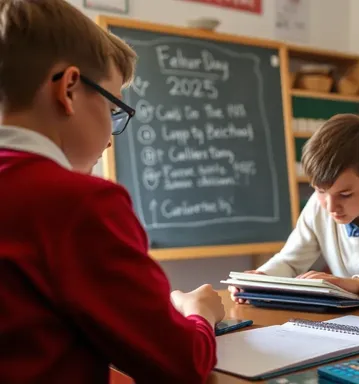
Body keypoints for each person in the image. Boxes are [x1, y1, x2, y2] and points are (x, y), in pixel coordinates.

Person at [0, 1, 225, 383]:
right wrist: (199, 313)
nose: (109, 138)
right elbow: (182, 364)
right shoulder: (80, 202)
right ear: (69, 89)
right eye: (113, 108)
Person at [229, 114, 359, 303]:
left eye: (345, 194)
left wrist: (352, 284)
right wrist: (260, 278)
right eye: (320, 190)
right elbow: (290, 262)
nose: (330, 207)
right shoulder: (318, 205)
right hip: (358, 320)